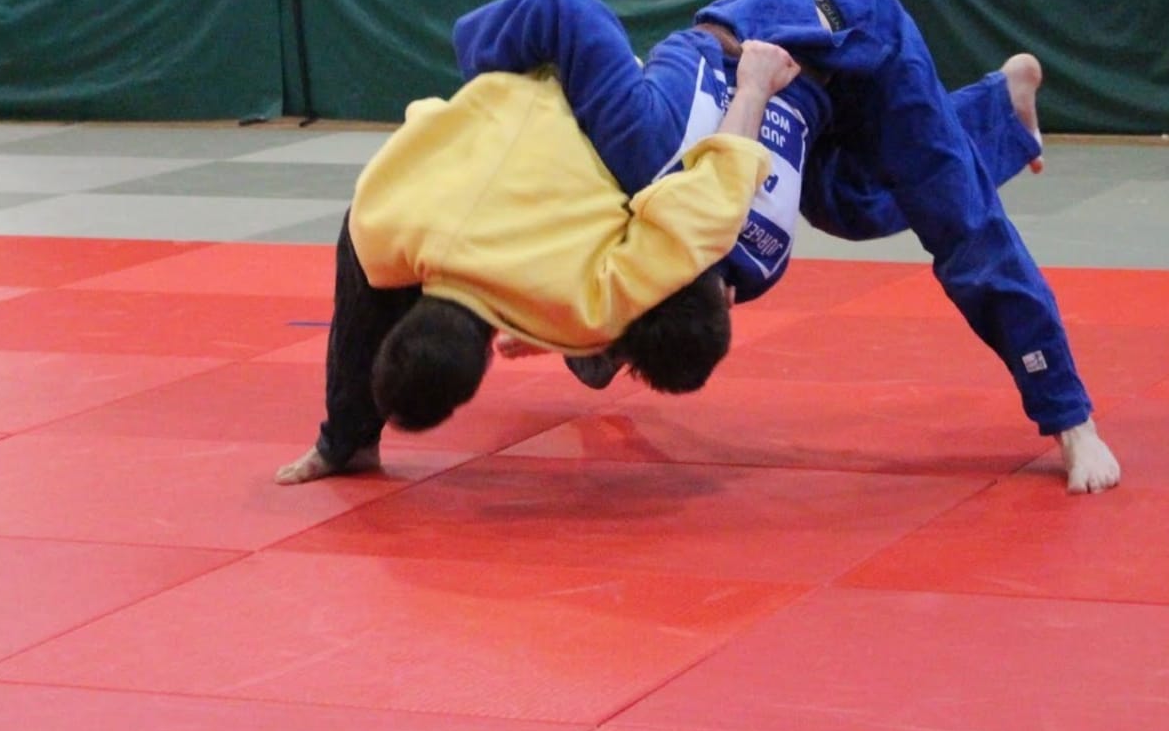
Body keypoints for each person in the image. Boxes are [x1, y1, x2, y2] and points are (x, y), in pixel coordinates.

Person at [456, 0, 1120, 494]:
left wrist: (475, 113)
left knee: (960, 225)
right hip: (804, 103)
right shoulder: (753, 258)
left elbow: (555, 1)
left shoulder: (641, 142)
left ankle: (1070, 416)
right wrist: (557, 321)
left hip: (851, 39)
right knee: (853, 205)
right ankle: (999, 108)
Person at [272, 40, 798, 485]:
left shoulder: (583, 294)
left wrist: (753, 86)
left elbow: (714, 194)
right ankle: (350, 442)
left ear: (486, 354)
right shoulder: (382, 220)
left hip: (593, 105)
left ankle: (347, 442)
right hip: (526, 91)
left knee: (658, 304)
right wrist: (344, 437)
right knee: (625, 296)